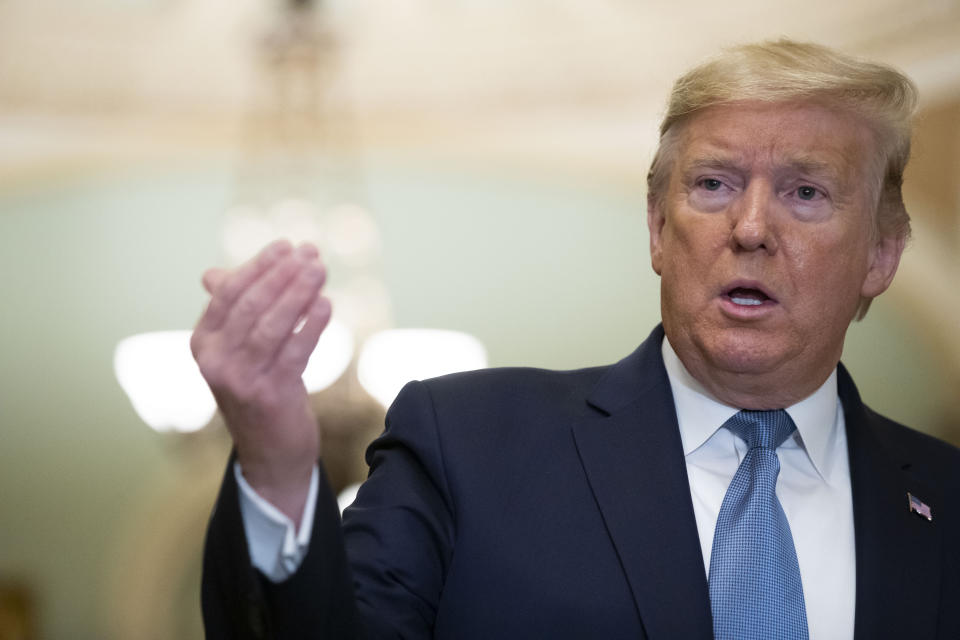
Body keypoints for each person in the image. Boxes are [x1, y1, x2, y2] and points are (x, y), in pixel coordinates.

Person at [196, 39, 960, 639]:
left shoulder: (945, 499)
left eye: (806, 192)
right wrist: (275, 464)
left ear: (881, 256)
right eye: (714, 184)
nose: (752, 228)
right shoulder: (467, 443)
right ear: (659, 228)